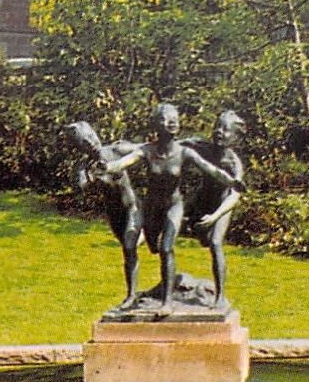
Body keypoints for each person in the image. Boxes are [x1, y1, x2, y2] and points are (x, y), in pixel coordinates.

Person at [101, 102, 242, 311]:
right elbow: (124, 161)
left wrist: (232, 183)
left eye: (174, 117)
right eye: (166, 119)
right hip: (153, 207)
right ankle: (131, 296)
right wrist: (107, 165)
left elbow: (212, 170)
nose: (172, 122)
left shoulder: (194, 154)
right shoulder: (151, 150)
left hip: (183, 206)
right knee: (149, 246)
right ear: (156, 125)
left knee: (173, 247)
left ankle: (170, 303)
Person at [67, 121, 142, 308]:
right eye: (84, 142)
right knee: (128, 251)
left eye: (91, 137)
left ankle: (157, 285)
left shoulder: (116, 149)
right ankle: (132, 294)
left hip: (132, 207)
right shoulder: (85, 166)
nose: (91, 143)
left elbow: (145, 150)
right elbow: (80, 186)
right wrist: (92, 175)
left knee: (131, 245)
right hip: (114, 214)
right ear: (79, 147)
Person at [187, 110, 245, 307]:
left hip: (222, 205)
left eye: (226, 130)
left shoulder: (233, 163)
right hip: (202, 201)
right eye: (217, 127)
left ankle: (220, 296)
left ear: (235, 137)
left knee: (215, 242)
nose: (219, 132)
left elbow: (235, 195)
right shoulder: (201, 147)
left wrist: (215, 217)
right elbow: (170, 147)